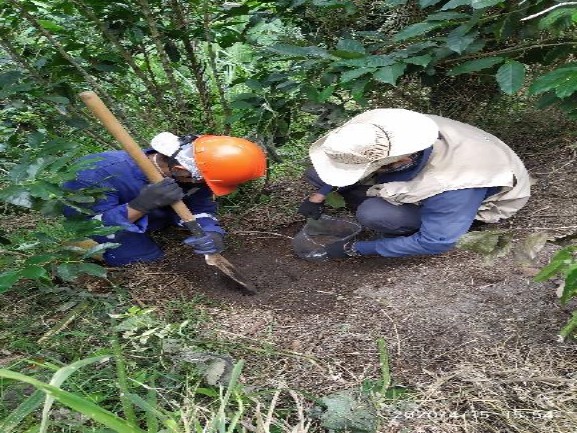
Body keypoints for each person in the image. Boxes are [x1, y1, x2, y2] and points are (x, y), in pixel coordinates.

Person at [297, 108, 531, 259]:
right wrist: (319, 195)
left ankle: (446, 222)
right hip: (436, 171)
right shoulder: (398, 131)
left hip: (464, 195)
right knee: (318, 175)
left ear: (400, 160)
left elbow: (436, 243)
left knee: (374, 213)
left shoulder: (453, 185)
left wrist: (355, 248)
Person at [64, 132, 266, 266]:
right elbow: (92, 226)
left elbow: (201, 207)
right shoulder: (94, 173)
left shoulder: (197, 174)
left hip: (159, 219)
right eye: (202, 182)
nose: (203, 185)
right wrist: (141, 205)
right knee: (144, 259)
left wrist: (211, 231)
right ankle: (78, 249)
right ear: (180, 169)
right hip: (106, 224)